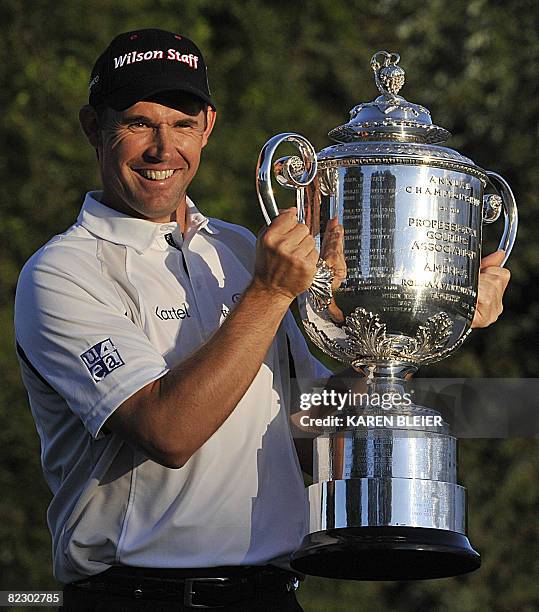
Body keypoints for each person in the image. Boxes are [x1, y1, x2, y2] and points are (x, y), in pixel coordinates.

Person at [14, 29, 510, 611]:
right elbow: (168, 432)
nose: (162, 149)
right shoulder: (62, 272)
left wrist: (407, 326)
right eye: (138, 123)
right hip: (137, 596)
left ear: (208, 128)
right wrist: (270, 292)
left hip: (271, 595)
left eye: (181, 124)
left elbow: (306, 435)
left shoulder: (235, 246)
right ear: (93, 128)